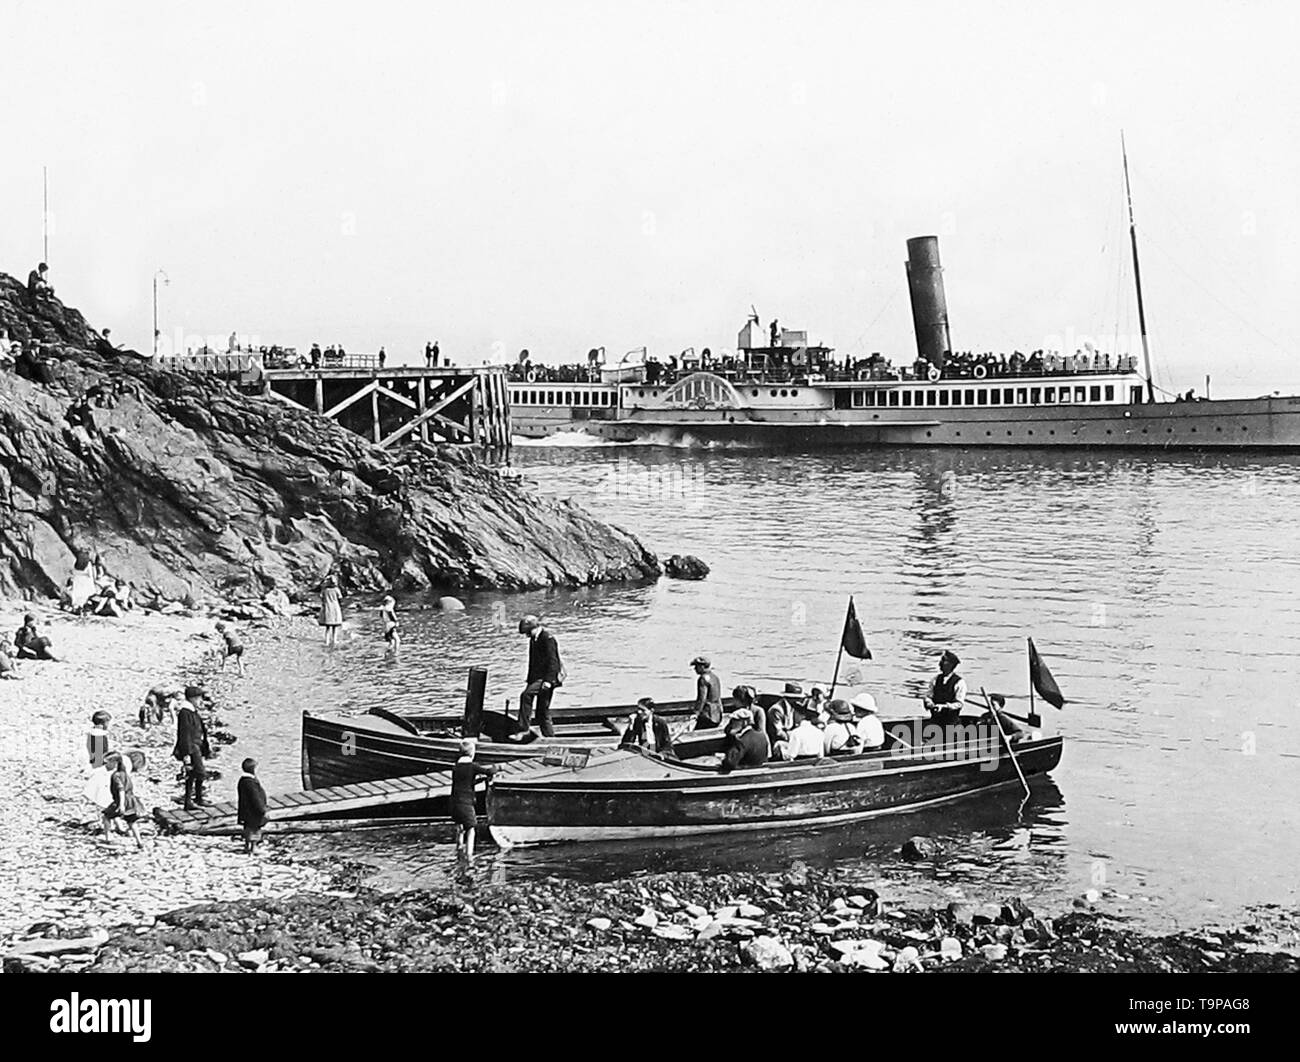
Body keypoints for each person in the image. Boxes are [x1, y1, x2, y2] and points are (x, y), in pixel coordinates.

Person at [517, 615, 562, 737]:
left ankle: (523, 729)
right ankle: (550, 738)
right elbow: (533, 663)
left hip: (547, 679)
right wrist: (530, 681)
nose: (526, 635)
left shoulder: (547, 639)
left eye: (527, 632)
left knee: (526, 696)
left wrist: (548, 681)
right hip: (537, 679)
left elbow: (554, 662)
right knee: (542, 712)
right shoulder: (534, 640)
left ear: (534, 627)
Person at [451, 738, 494, 859]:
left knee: (460, 828)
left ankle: (459, 850)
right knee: (471, 829)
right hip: (466, 802)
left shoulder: (456, 767)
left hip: (454, 802)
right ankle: (469, 855)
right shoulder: (472, 766)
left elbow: (464, 782)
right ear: (472, 753)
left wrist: (478, 780)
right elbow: (489, 771)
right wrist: (496, 768)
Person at [174, 685, 212, 810]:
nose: (200, 701)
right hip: (191, 747)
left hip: (196, 746)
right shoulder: (185, 713)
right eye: (198, 698)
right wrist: (186, 754)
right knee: (199, 773)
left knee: (193, 773)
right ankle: (191, 800)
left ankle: (195, 799)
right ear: (192, 699)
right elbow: (184, 734)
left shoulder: (191, 711)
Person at [106, 753, 145, 849]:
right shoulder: (125, 774)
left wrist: (121, 804)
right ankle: (139, 842)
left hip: (122, 801)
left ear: (115, 763)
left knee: (106, 816)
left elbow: (121, 790)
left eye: (108, 763)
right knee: (132, 822)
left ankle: (108, 838)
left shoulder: (116, 776)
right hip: (131, 800)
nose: (106, 765)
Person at [718, 708, 770, 774]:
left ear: (745, 723)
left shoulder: (742, 741)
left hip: (745, 775)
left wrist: (722, 759)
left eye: (735, 720)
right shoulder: (762, 736)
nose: (732, 723)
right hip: (760, 772)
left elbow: (729, 763)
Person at [923, 650, 967, 725]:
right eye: (941, 660)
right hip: (935, 722)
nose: (940, 663)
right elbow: (928, 696)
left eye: (943, 660)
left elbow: (959, 704)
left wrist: (944, 707)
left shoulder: (959, 682)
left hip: (951, 724)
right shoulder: (935, 679)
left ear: (951, 665)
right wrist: (929, 702)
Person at [237, 758, 268, 855]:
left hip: (246, 810)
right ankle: (254, 847)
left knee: (248, 828)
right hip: (253, 810)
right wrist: (262, 809)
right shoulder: (250, 782)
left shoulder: (243, 780)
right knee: (255, 829)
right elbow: (255, 798)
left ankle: (247, 846)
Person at [690, 655, 723, 729]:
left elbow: (702, 699)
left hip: (707, 715)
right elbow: (718, 698)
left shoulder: (702, 679)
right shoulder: (715, 677)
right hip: (717, 715)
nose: (695, 669)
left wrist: (696, 713)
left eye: (696, 666)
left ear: (702, 667)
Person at [319, 574, 343, 647]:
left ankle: (327, 641)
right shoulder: (336, 590)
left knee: (327, 626)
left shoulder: (325, 590)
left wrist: (324, 602)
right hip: (335, 607)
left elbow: (321, 597)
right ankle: (334, 640)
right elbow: (340, 597)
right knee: (334, 626)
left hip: (327, 607)